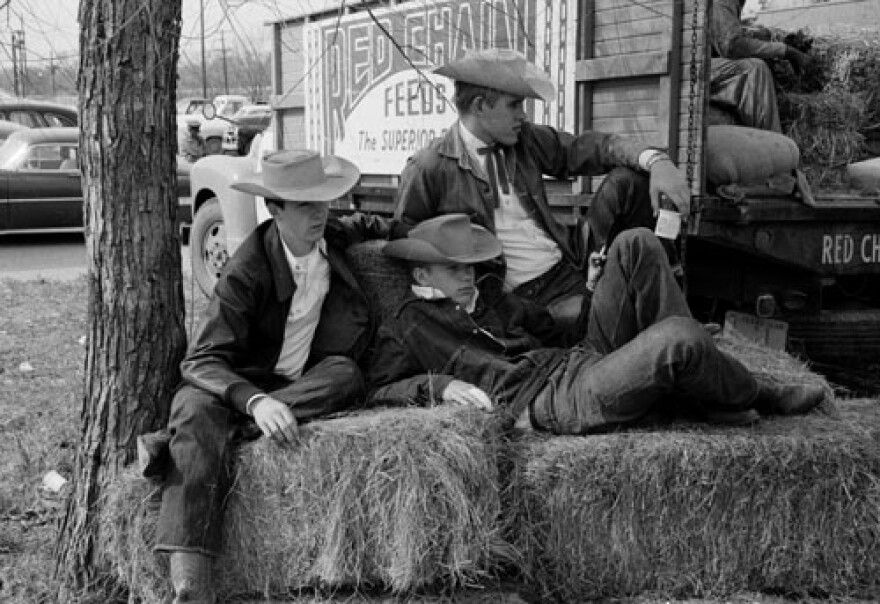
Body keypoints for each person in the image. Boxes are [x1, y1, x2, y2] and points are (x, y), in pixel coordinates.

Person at [152, 149, 388, 603]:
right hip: (230, 385)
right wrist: (255, 402)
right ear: (274, 209)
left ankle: (204, 437)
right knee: (197, 413)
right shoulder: (246, 270)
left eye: (324, 201)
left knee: (345, 374)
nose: (319, 214)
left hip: (296, 385)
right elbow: (201, 360)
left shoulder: (333, 237)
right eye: (304, 205)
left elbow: (373, 226)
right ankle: (191, 588)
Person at [368, 214, 826, 435]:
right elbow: (377, 388)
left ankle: (704, 382)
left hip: (574, 360)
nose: (468, 277)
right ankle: (748, 393)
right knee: (679, 340)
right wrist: (441, 385)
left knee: (635, 242)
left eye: (470, 266)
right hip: (548, 399)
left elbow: (553, 331)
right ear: (422, 275)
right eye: (455, 270)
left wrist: (591, 290)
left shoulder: (487, 294)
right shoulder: (408, 325)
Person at [392, 48, 690, 336]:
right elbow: (409, 245)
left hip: (568, 263)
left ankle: (671, 313)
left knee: (628, 181)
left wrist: (657, 160)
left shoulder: (524, 139)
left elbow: (588, 148)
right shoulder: (428, 167)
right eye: (515, 105)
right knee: (596, 315)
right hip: (524, 298)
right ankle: (666, 331)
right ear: (481, 106)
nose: (523, 115)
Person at [710, 0, 812, 132]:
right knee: (755, 70)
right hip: (687, 68)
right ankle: (773, 146)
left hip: (697, 64)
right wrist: (785, 51)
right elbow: (732, 46)